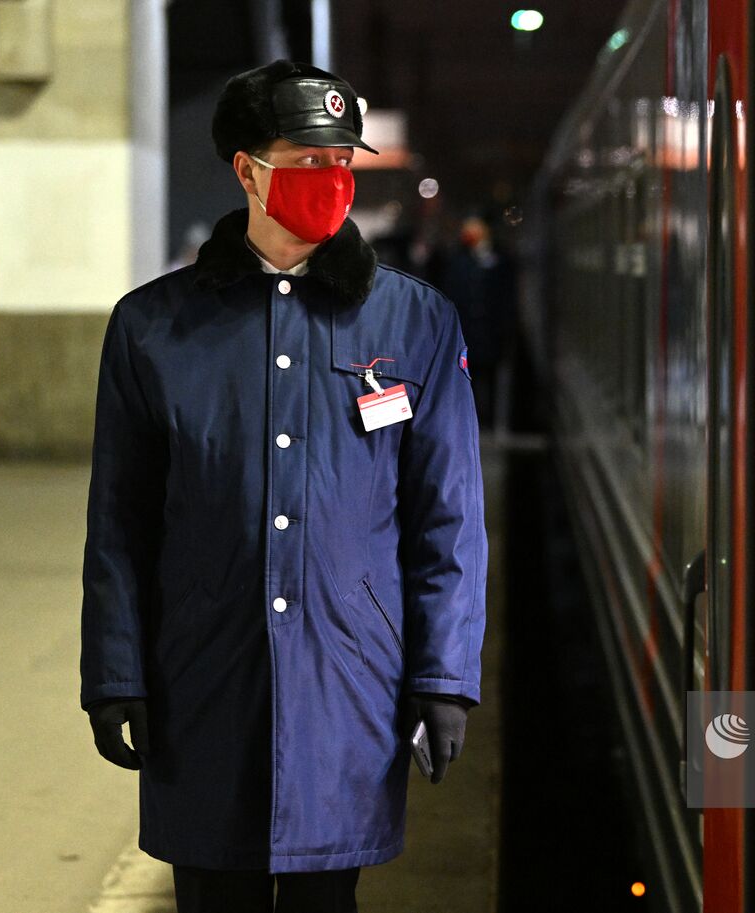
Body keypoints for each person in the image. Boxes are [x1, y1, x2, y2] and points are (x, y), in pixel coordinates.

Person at [79, 59, 488, 913]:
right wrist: (116, 671)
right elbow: (120, 523)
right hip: (200, 677)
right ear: (248, 171)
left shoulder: (413, 320)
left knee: (323, 897)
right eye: (306, 160)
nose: (330, 179)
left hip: (348, 680)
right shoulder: (154, 329)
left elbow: (447, 518)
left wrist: (444, 676)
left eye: (341, 158)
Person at [435, 215, 516, 428]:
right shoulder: (458, 260)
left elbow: (506, 299)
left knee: (487, 379)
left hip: (488, 335)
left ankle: (486, 420)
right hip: (468, 334)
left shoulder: (499, 260)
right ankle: (472, 417)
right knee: (467, 378)